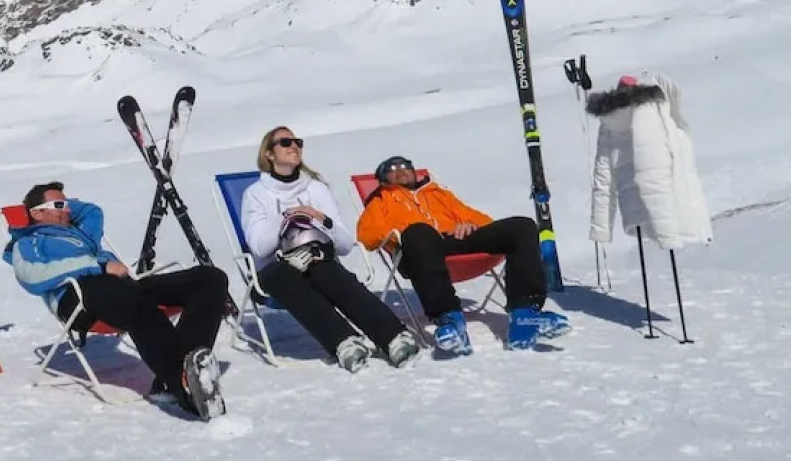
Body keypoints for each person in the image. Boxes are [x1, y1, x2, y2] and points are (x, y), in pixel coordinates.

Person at [3, 180, 230, 419]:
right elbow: (31, 275)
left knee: (210, 279)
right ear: (36, 213)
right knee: (131, 299)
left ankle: (191, 367)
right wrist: (97, 266)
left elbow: (92, 211)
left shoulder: (80, 234)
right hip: (79, 297)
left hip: (121, 286)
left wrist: (64, 205)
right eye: (59, 204)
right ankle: (181, 384)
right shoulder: (28, 243)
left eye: (67, 204)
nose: (67, 209)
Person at [240, 128, 419, 372]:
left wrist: (323, 220)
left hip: (317, 261)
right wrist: (287, 217)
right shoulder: (255, 195)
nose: (294, 146)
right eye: (285, 142)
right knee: (285, 275)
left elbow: (345, 245)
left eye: (297, 142)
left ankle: (393, 336)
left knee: (322, 267)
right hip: (274, 270)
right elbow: (260, 248)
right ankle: (343, 341)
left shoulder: (315, 189)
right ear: (269, 154)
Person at [355, 156, 571, 353]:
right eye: (392, 169)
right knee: (419, 231)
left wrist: (468, 225)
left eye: (406, 166)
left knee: (522, 227)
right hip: (420, 250)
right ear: (383, 180)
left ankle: (525, 313)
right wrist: (402, 236)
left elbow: (484, 220)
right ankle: (448, 318)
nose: (400, 171)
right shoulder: (380, 201)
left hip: (458, 239)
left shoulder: (438, 193)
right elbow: (367, 235)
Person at [587, 73, 712, 250]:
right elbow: (652, 175)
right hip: (668, 211)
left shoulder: (609, 120)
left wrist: (601, 229)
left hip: (635, 213)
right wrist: (667, 235)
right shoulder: (647, 111)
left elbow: (603, 180)